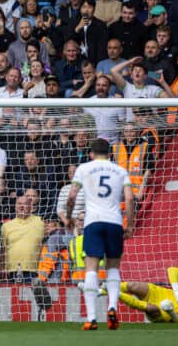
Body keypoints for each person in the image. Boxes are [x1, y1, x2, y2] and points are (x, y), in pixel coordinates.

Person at [66, 138, 134, 331]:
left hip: (93, 222)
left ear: (91, 153)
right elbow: (129, 199)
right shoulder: (120, 170)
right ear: (110, 153)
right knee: (113, 268)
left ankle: (92, 318)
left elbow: (71, 196)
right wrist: (130, 225)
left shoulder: (84, 168)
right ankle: (112, 307)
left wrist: (69, 217)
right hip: (114, 222)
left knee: (91, 269)